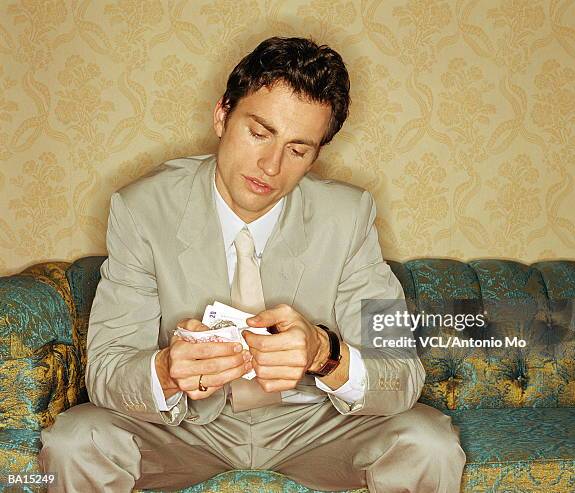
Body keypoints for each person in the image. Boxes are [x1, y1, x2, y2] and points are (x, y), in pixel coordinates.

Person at [40, 36, 466, 492]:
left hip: (314, 428)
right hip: (184, 431)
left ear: (316, 154)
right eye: (259, 133)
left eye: (298, 149)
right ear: (222, 115)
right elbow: (106, 369)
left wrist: (325, 354)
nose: (270, 164)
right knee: (73, 442)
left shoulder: (350, 215)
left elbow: (402, 373)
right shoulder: (142, 208)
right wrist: (166, 370)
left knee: (429, 443)